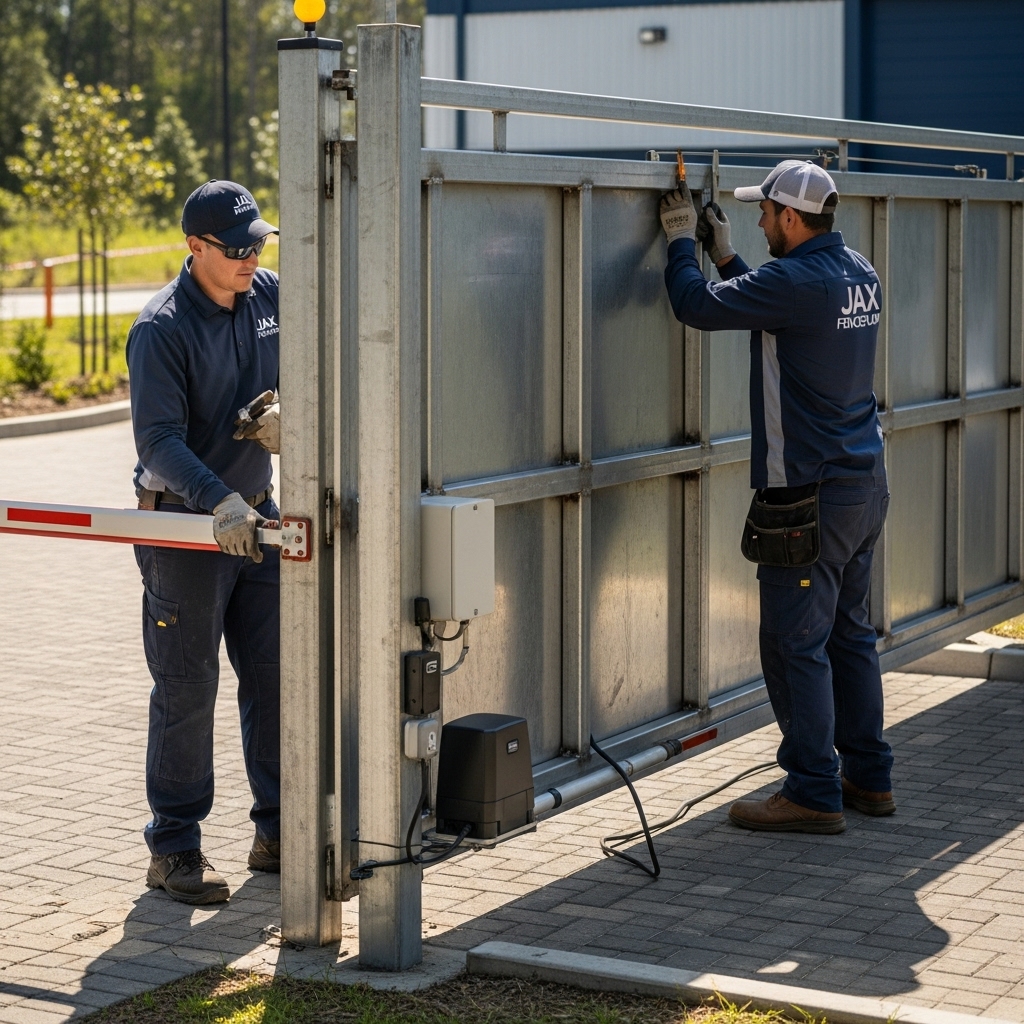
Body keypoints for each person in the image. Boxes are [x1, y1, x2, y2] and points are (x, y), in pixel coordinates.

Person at [660, 160, 894, 834]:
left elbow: (697, 305)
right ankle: (869, 778)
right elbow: (774, 304)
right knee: (850, 636)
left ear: (792, 218)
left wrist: (681, 241)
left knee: (796, 644)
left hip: (810, 494)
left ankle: (813, 791)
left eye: (764, 212)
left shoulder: (795, 282)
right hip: (863, 484)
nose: (759, 220)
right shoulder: (856, 270)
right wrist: (728, 253)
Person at [127, 180, 282, 903]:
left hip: (261, 517)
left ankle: (280, 828)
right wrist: (217, 499)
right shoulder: (161, 328)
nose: (251, 257)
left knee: (279, 680)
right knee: (188, 690)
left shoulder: (268, 297)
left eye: (258, 243)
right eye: (237, 248)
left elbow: (315, 367)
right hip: (188, 527)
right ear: (194, 248)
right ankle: (176, 848)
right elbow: (157, 441)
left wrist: (292, 416)